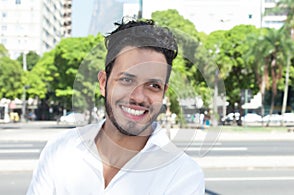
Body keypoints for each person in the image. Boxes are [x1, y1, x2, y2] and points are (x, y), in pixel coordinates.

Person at [26, 19, 205, 195]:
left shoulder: (183, 174)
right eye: (127, 80)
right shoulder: (60, 149)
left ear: (163, 93)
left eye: (153, 86)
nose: (138, 97)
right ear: (103, 83)